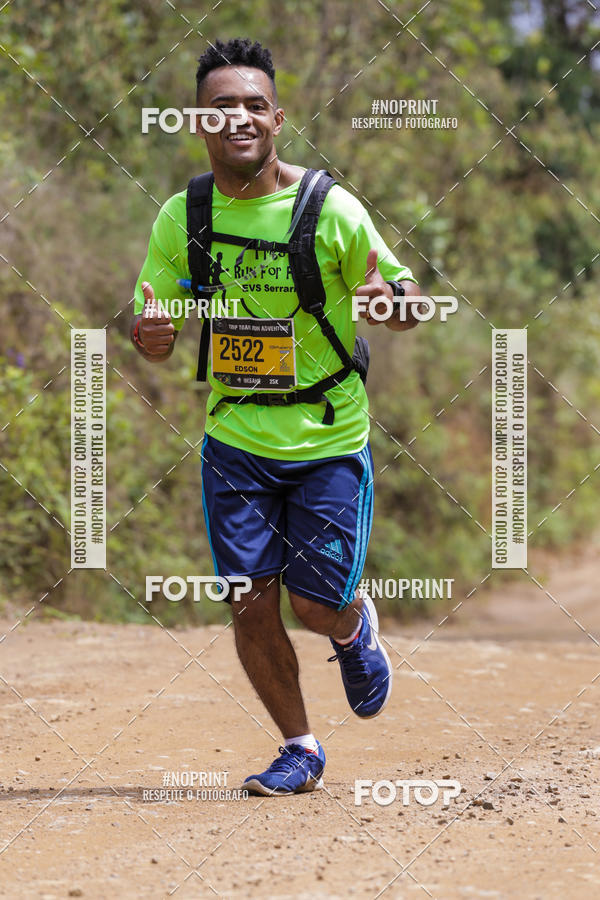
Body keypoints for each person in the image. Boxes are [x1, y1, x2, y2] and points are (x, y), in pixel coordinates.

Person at [131, 38, 422, 796]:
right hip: (235, 439)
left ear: (278, 118)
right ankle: (301, 748)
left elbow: (405, 300)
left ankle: (353, 625)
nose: (239, 118)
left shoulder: (330, 208)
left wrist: (393, 306)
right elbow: (151, 322)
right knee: (250, 601)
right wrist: (149, 333)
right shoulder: (183, 215)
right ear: (198, 120)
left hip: (327, 436)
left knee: (314, 603)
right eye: (222, 105)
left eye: (254, 105)